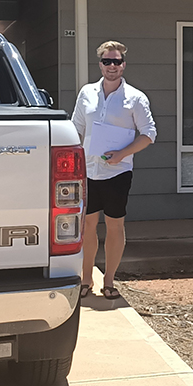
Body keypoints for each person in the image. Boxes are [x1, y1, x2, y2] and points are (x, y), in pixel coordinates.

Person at [72, 40, 156, 300]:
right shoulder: (87, 93)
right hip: (88, 171)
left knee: (114, 226)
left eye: (116, 61)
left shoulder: (135, 98)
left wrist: (122, 154)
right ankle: (86, 279)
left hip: (118, 173)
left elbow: (149, 134)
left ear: (123, 65)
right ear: (100, 64)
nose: (112, 66)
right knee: (87, 225)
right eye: (107, 61)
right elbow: (75, 129)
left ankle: (109, 281)